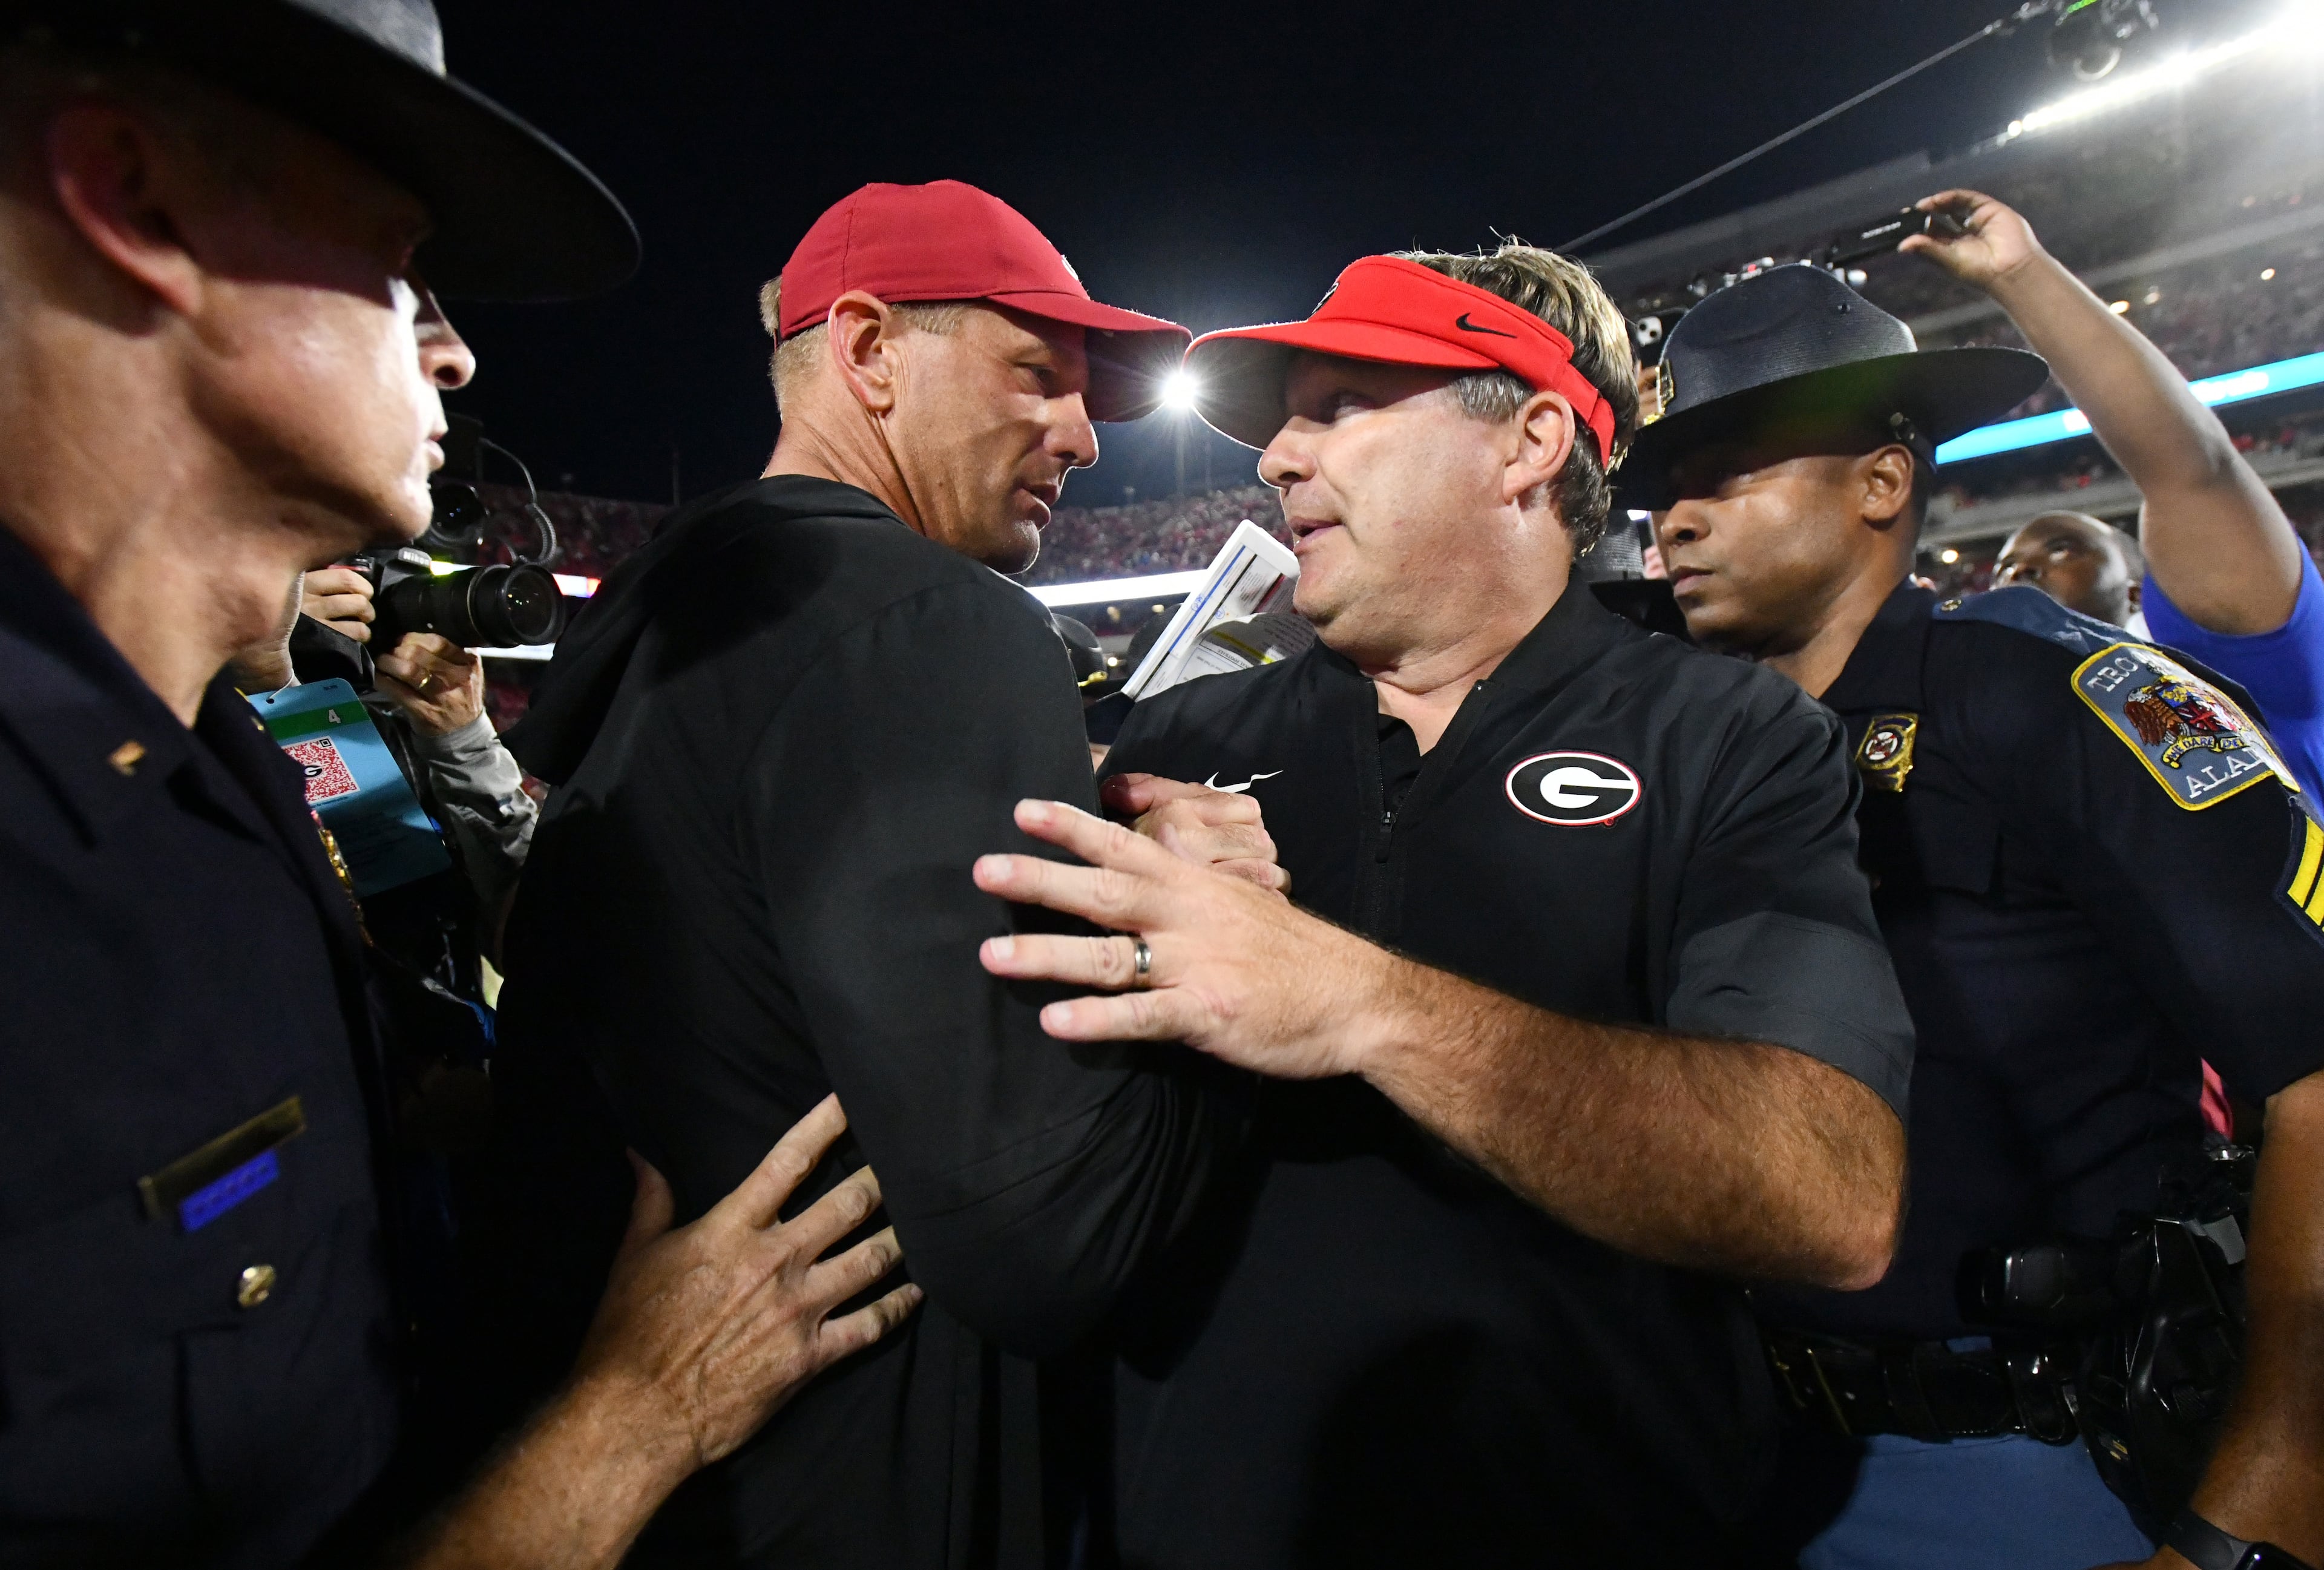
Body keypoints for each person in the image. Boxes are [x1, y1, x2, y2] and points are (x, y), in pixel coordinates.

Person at [0, 3, 913, 1564]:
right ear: (136, 206)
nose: (457, 345)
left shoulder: (223, 762)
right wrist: (636, 1416)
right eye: (398, 260)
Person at [971, 244, 1918, 1566]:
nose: (1278, 460)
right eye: (1285, 422)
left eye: (1341, 406)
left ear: (1528, 443)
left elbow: (1831, 1196)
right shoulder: (1170, 747)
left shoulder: (1732, 736)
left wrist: (1358, 1003)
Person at [488, 179, 1255, 1570]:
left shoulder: (686, 616)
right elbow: (1051, 1240)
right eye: (1038, 374)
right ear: (866, 349)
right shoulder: (929, 619)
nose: (1086, 437)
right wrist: (1219, 946)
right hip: (855, 1476)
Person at [1622, 261, 2324, 1569]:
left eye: (1724, 469)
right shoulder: (1690, 745)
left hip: (2032, 1459)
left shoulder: (2037, 696)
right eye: (1662, 488)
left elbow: (2320, 1072)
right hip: (1740, 1441)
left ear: (1882, 484)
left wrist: (2267, 1511)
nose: (1674, 519)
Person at [1908, 190, 2324, 803]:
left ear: (2137, 590)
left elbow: (2192, 469)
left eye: (2063, 548)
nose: (2020, 567)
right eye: (2001, 567)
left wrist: (2022, 276)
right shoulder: (1983, 737)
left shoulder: (2224, 673)